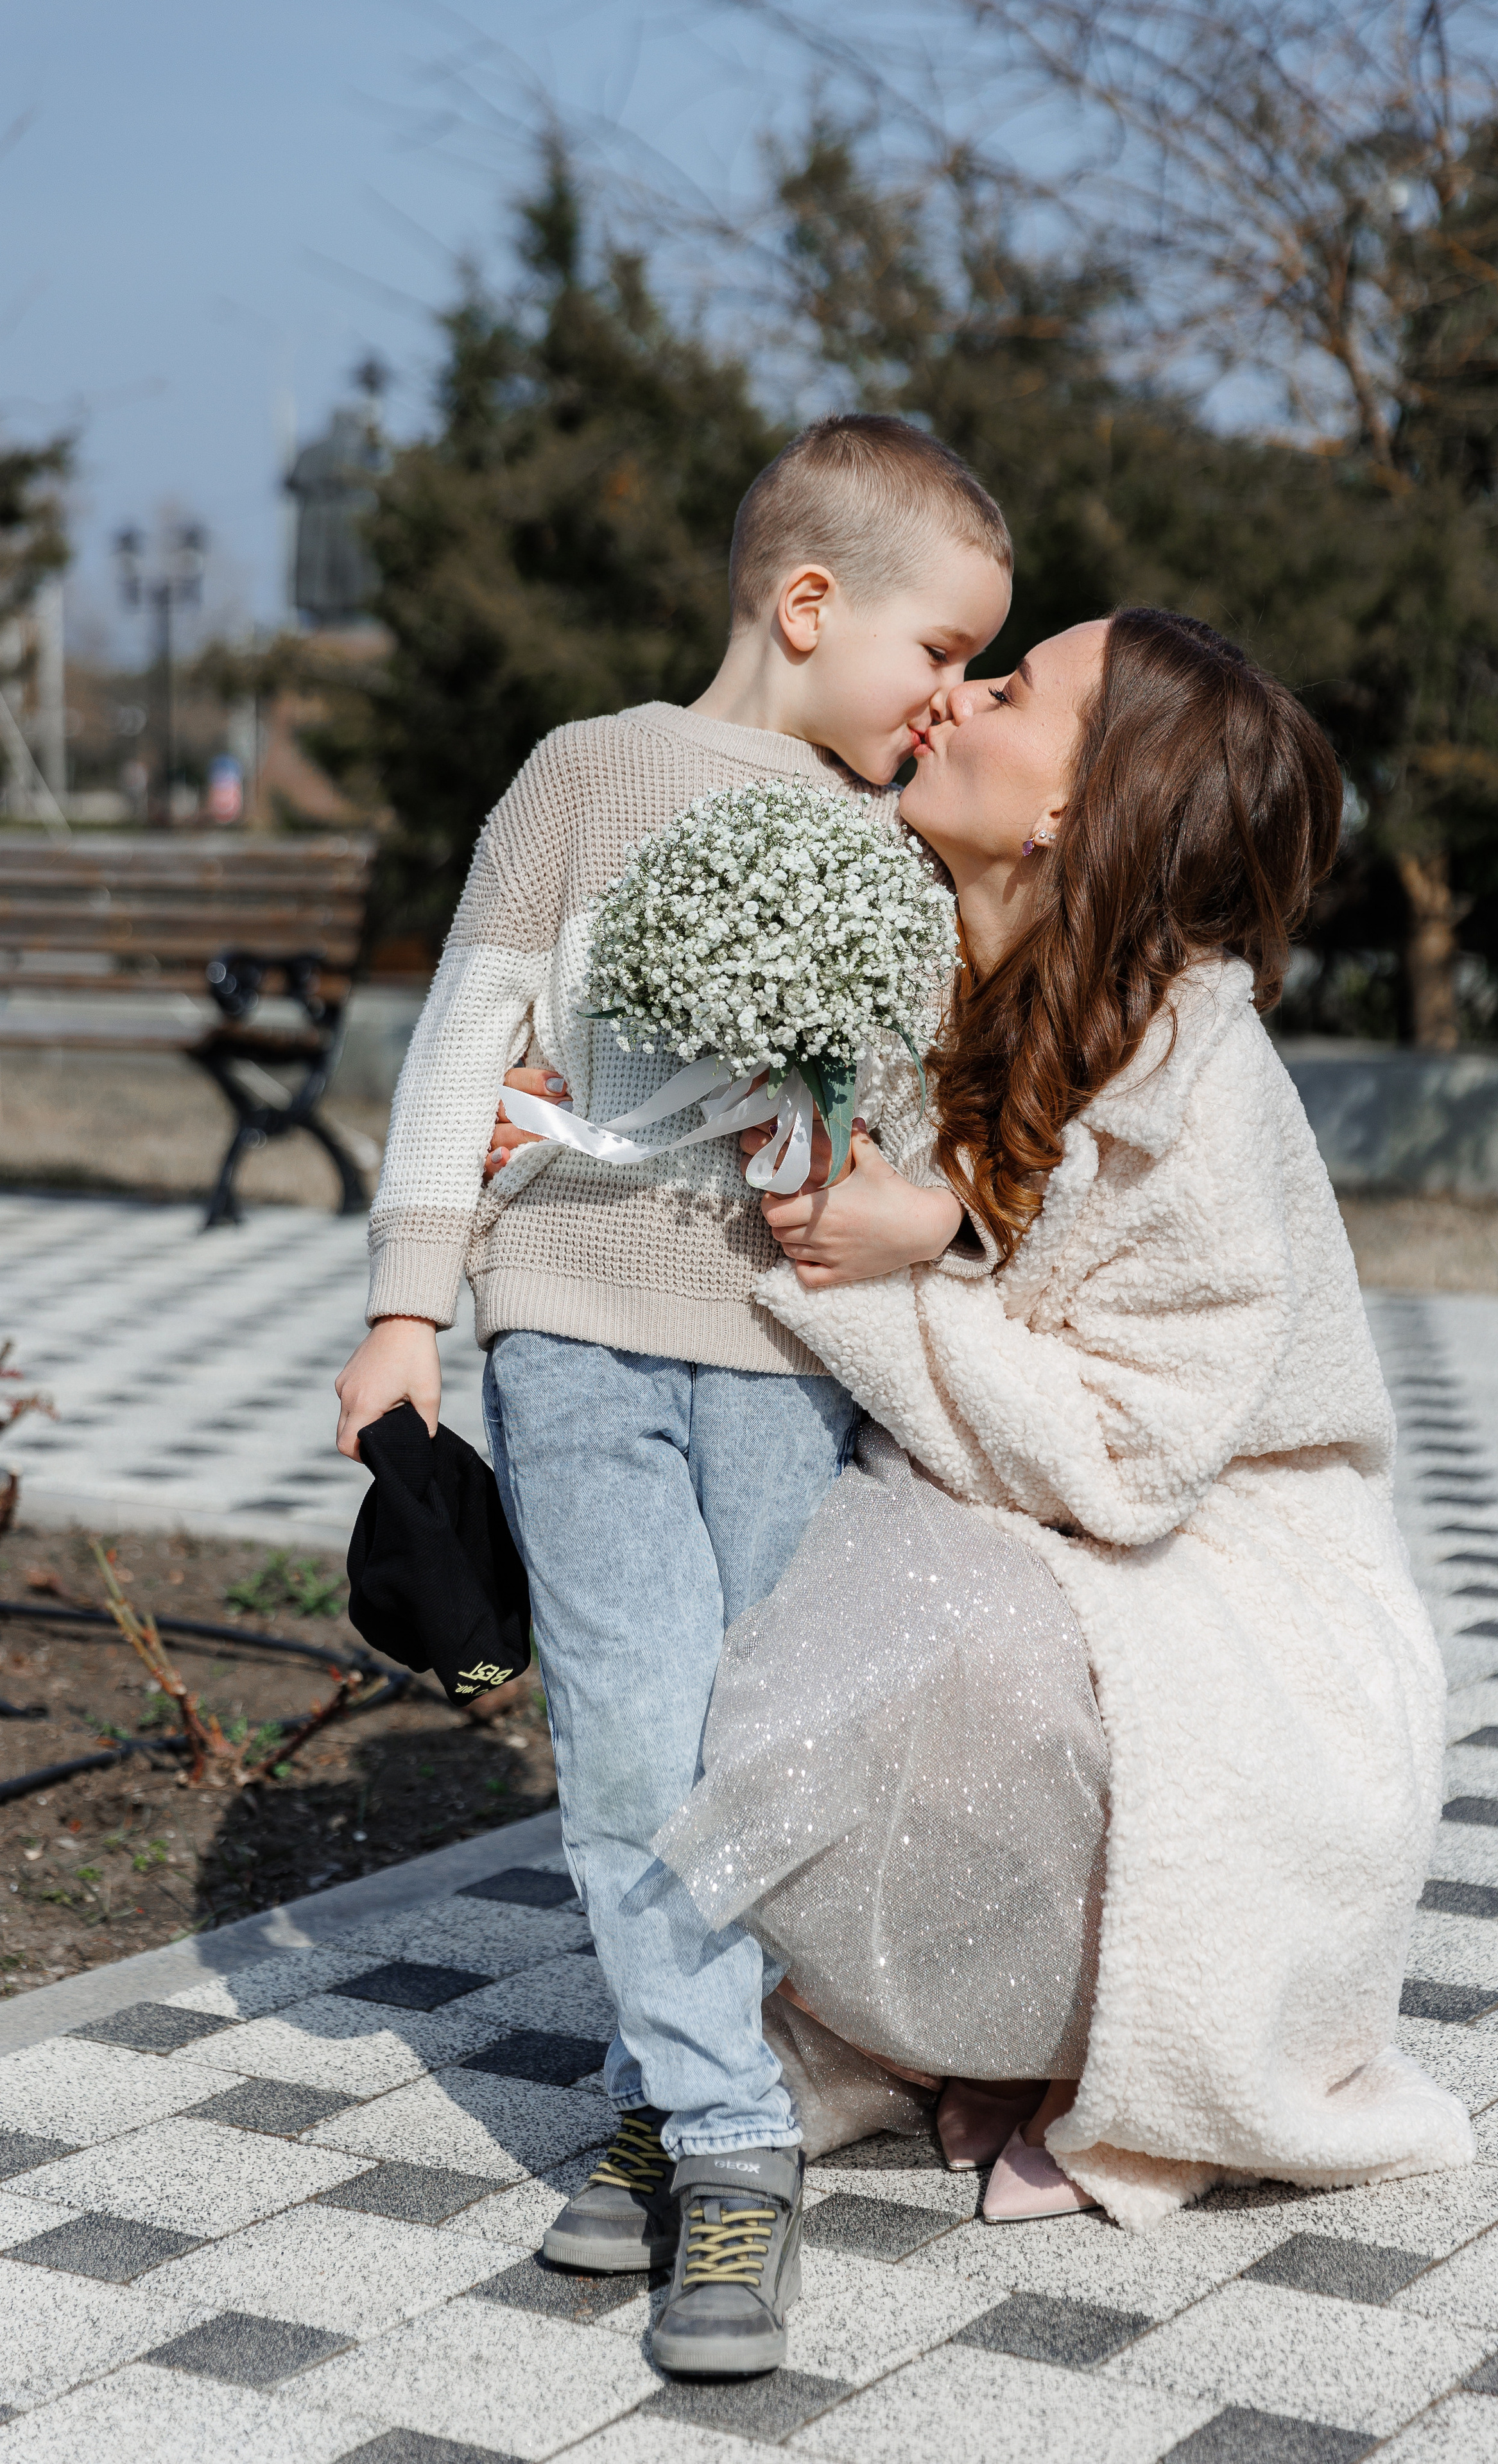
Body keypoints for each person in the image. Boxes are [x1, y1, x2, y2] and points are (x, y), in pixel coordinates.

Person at [648, 607, 1475, 2230]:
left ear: (1071, 812)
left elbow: (1125, 1453)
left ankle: (1073, 2034)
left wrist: (905, 1269)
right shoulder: (879, 937)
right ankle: (937, 2020)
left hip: (1230, 1550)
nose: (955, 693)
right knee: (777, 1595)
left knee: (961, 1643)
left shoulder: (1195, 1078)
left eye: (1015, 689)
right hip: (993, 1492)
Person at [333, 414, 1006, 2377]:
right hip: (572, 1323)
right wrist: (409, 1308)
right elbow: (469, 1039)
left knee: (754, 1738)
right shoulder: (589, 775)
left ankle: (662, 2085)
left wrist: (914, 1213)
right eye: (940, 652)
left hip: (790, 1363)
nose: (949, 700)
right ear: (810, 605)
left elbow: (932, 1129)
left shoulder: (892, 854)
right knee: (631, 1730)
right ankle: (731, 2149)